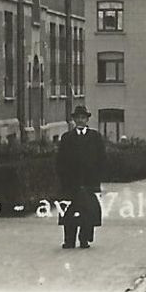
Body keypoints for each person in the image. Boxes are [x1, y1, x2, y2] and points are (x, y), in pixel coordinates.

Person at [55, 105, 105, 249]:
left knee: (88, 212)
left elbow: (102, 159)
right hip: (71, 183)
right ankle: (69, 240)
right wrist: (64, 179)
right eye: (78, 118)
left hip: (89, 182)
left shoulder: (95, 137)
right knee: (69, 212)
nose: (81, 121)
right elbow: (60, 160)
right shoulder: (67, 138)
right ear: (74, 120)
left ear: (87, 119)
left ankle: (84, 240)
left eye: (83, 118)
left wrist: (97, 179)